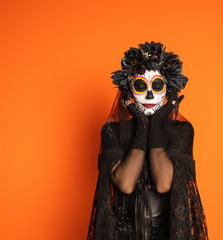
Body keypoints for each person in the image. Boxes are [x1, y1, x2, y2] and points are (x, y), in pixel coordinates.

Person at [87, 41, 209, 240]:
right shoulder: (112, 131)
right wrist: (142, 126)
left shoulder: (182, 131)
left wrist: (156, 123)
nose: (150, 94)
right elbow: (125, 184)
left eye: (157, 85)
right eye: (141, 86)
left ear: (168, 89)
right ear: (129, 89)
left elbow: (163, 184)